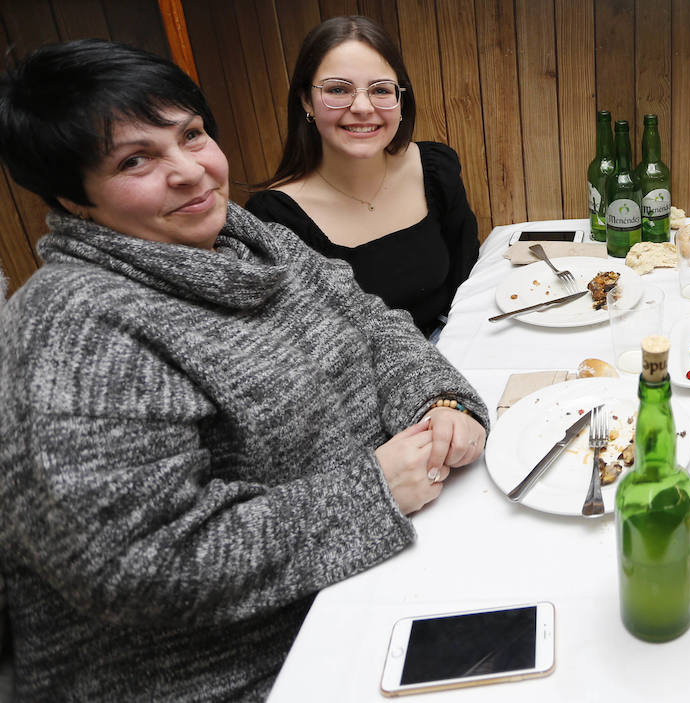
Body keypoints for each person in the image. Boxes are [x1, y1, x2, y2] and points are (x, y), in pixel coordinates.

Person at [0, 40, 490, 703]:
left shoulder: (247, 236)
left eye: (192, 135)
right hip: (244, 668)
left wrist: (440, 400)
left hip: (357, 578)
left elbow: (372, 321)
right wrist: (370, 490)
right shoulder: (76, 329)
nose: (190, 171)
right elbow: (137, 564)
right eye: (135, 159)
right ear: (71, 195)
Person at [247, 16, 479, 340]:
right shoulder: (276, 219)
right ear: (305, 101)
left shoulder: (434, 169)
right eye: (338, 89)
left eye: (380, 90)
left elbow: (467, 278)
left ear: (400, 101)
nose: (362, 107)